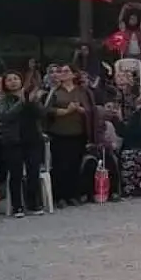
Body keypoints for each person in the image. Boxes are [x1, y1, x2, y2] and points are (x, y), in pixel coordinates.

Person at [45, 64, 96, 207]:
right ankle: (60, 196)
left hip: (77, 133)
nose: (63, 73)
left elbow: (91, 110)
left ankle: (73, 194)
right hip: (59, 132)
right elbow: (47, 110)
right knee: (60, 165)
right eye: (61, 71)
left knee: (75, 164)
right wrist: (65, 111)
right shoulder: (55, 91)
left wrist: (81, 110)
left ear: (74, 75)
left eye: (66, 71)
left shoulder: (82, 91)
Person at [0, 72, 47, 217]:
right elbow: (6, 116)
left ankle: (34, 203)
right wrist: (21, 101)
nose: (13, 82)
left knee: (33, 172)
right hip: (13, 140)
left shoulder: (30, 95)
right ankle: (17, 206)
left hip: (33, 138)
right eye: (9, 80)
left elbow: (42, 113)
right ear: (5, 84)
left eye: (16, 79)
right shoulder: (2, 98)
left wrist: (34, 101)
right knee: (16, 174)